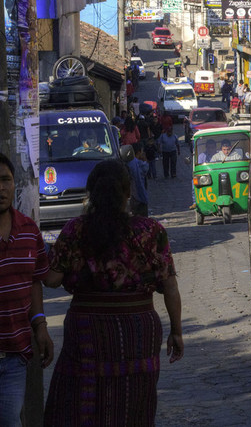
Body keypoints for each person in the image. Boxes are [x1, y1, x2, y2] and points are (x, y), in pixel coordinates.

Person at [43, 160, 183, 425]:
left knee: (80, 404)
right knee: (134, 405)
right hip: (137, 331)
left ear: (90, 193)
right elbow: (170, 287)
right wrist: (176, 331)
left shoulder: (75, 230)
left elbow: (51, 279)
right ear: (128, 192)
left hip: (87, 331)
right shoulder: (151, 232)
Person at [0, 152, 53, 426]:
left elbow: (35, 280)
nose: (1, 188)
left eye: (5, 180)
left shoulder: (28, 231)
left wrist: (40, 325)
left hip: (14, 357)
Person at [128, 142, 150, 217]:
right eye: (142, 151)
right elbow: (146, 168)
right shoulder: (139, 163)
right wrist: (145, 160)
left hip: (133, 195)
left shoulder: (129, 163)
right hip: (140, 196)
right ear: (138, 152)